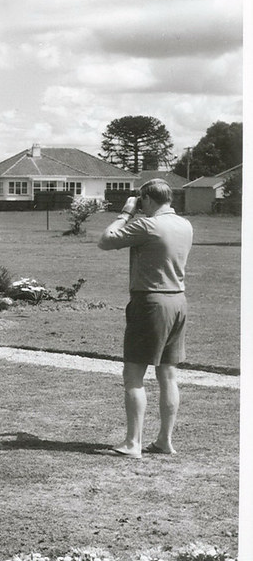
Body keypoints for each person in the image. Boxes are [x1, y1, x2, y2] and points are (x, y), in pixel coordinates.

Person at [98, 178, 193, 458]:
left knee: (134, 375)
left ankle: (132, 443)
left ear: (147, 200)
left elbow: (105, 241)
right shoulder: (185, 225)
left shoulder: (146, 225)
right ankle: (164, 440)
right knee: (168, 374)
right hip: (178, 300)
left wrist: (126, 212)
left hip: (150, 302)